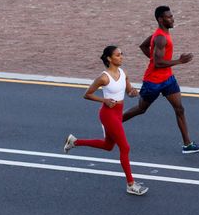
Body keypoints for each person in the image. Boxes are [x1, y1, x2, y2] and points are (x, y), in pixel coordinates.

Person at [63, 45, 148, 196]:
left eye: (121, 54)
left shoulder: (123, 73)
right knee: (125, 147)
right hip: (108, 114)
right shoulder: (104, 77)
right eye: (117, 55)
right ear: (109, 58)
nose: (121, 57)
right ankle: (130, 184)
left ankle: (75, 142)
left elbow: (128, 91)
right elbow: (87, 94)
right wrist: (105, 100)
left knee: (108, 146)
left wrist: (133, 93)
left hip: (118, 113)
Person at [122, 5, 199, 154]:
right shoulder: (160, 38)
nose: (173, 19)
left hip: (168, 80)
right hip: (153, 82)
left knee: (179, 109)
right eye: (169, 17)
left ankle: (187, 144)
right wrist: (179, 61)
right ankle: (113, 123)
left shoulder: (162, 34)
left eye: (172, 16)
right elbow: (158, 63)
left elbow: (144, 46)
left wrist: (153, 58)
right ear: (161, 19)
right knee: (141, 109)